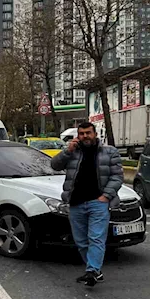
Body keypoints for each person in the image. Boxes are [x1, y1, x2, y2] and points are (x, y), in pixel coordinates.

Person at [51, 121, 123, 287]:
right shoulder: (72, 152)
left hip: (98, 203)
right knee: (81, 241)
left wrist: (105, 196)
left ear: (95, 134)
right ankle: (95, 270)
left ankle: (92, 271)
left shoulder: (109, 152)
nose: (85, 136)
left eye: (88, 133)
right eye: (82, 133)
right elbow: (55, 165)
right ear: (78, 135)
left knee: (96, 238)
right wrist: (67, 151)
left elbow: (117, 177)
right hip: (76, 202)